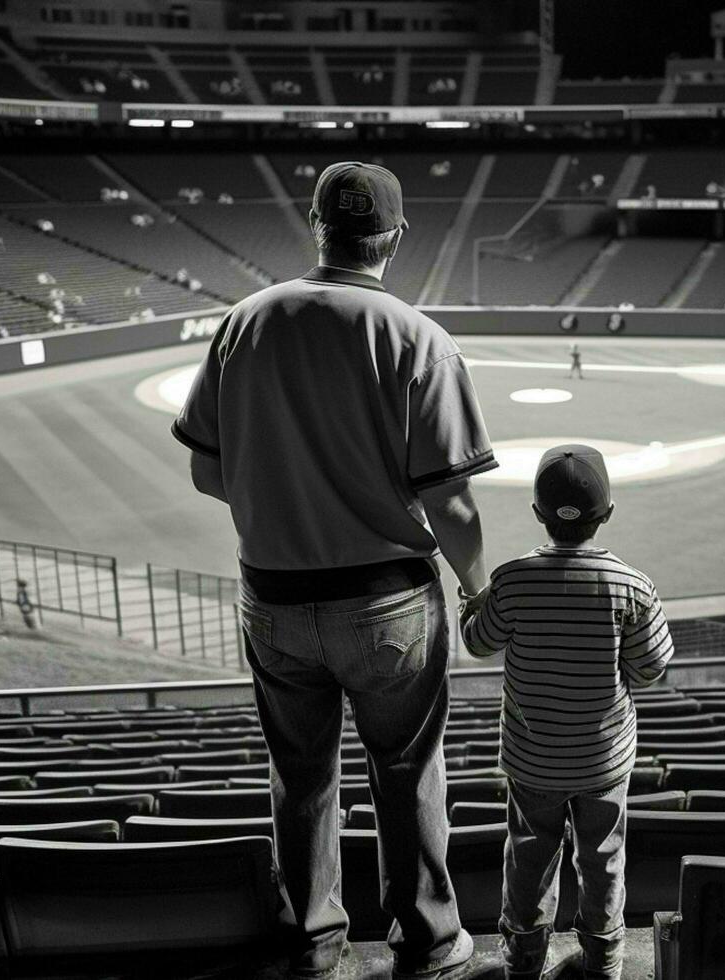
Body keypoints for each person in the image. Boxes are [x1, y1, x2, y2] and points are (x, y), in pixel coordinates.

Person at [173, 161, 496, 980]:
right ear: (393, 238)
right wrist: (480, 591)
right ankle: (428, 947)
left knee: (301, 777)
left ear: (315, 225)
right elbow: (451, 504)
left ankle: (313, 945)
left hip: (273, 599)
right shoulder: (417, 335)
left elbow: (208, 473)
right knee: (408, 773)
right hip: (388, 603)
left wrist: (288, 502)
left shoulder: (244, 319)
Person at [461, 444, 674, 980]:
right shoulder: (633, 585)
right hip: (604, 763)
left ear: (537, 512)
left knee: (529, 861)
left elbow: (478, 643)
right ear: (608, 513)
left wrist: (472, 606)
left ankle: (524, 958)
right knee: (603, 861)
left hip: (533, 763)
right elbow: (651, 669)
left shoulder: (511, 580)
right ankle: (604, 958)